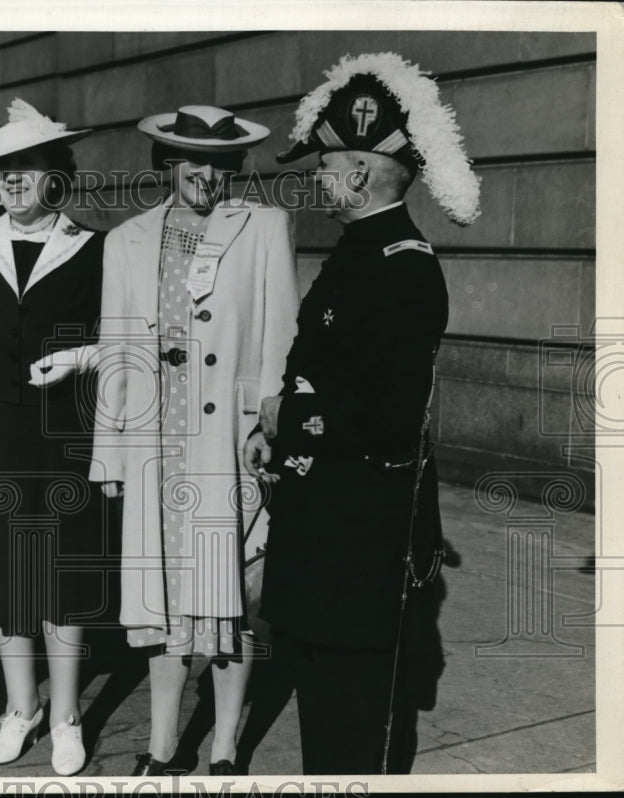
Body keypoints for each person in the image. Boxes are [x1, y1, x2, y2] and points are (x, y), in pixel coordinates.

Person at [35, 105, 298, 776]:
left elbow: (282, 338)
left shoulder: (263, 227)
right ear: (167, 166)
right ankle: (160, 747)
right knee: (160, 606)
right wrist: (110, 455)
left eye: (219, 163)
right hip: (158, 448)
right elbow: (121, 349)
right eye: (191, 161)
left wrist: (271, 424)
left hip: (227, 446)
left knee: (227, 603)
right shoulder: (127, 242)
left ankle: (227, 746)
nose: (206, 174)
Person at [243, 52, 481, 774]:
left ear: (359, 172)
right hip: (324, 521)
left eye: (325, 166)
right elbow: (309, 359)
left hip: (364, 532)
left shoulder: (404, 267)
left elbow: (387, 416)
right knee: (323, 699)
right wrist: (271, 428)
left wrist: (291, 420)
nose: (316, 178)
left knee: (356, 721)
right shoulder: (356, 251)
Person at [0, 99, 108, 776]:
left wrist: (84, 357)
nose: (10, 180)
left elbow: (123, 339)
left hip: (68, 433)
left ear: (56, 175)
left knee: (60, 576)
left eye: (25, 168)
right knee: (8, 580)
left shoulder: (93, 249)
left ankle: (66, 716)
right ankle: (20, 708)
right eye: (2, 169)